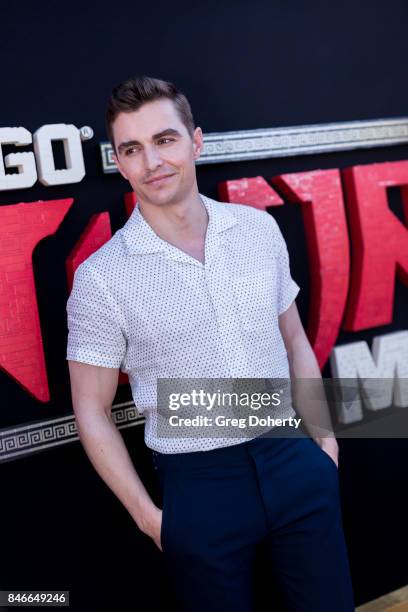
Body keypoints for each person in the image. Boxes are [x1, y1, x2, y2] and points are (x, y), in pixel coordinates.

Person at [66, 76, 355, 611]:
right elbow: (91, 409)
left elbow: (293, 337)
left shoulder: (257, 229)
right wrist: (149, 516)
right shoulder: (101, 277)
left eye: (165, 139)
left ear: (196, 141)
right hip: (198, 486)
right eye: (133, 149)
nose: (152, 161)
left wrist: (324, 442)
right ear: (120, 162)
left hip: (294, 457)